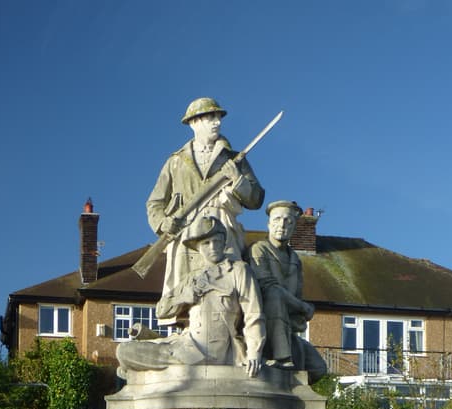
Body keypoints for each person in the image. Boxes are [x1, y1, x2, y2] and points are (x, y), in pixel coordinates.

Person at [146, 98, 265, 319]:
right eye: (210, 117)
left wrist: (237, 179)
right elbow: (155, 202)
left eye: (218, 118)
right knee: (185, 287)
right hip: (187, 230)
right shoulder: (176, 161)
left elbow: (256, 199)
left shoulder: (233, 159)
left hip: (223, 224)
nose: (216, 122)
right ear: (194, 123)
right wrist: (163, 222)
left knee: (230, 281)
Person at [117, 216, 265, 378]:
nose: (213, 247)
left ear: (224, 242)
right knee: (124, 350)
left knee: (127, 356)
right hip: (186, 344)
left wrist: (254, 352)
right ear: (198, 248)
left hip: (212, 350)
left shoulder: (238, 270)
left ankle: (134, 368)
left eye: (217, 241)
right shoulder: (193, 277)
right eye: (206, 243)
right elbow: (161, 310)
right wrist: (182, 298)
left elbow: (254, 314)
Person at [250, 200, 327, 382]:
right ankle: (281, 360)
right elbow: (267, 286)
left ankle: (288, 393)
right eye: (277, 219)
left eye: (288, 221)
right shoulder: (258, 250)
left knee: (318, 368)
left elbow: (296, 294)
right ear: (269, 224)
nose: (282, 225)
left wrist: (300, 311)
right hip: (263, 328)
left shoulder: (295, 259)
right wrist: (301, 306)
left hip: (287, 330)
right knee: (274, 294)